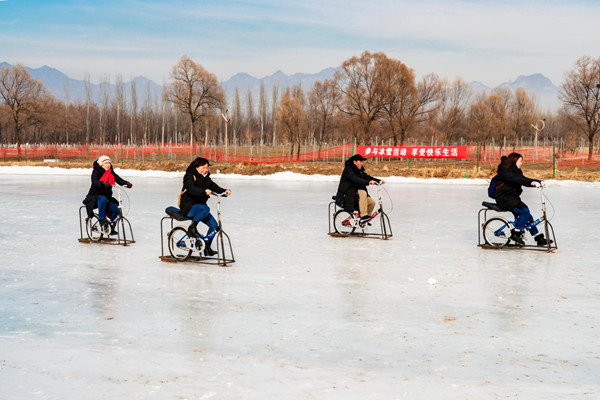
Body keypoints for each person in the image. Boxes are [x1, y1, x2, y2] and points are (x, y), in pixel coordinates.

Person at [178, 157, 231, 256]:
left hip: (201, 208)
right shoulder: (189, 176)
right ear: (197, 167)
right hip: (188, 206)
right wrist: (203, 191)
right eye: (203, 167)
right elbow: (191, 189)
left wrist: (225, 191)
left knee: (214, 226)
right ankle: (192, 227)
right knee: (206, 208)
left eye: (207, 167)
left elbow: (214, 187)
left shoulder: (206, 177)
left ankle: (206, 248)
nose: (205, 170)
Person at [494, 152, 549, 246]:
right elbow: (518, 179)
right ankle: (516, 233)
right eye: (520, 161)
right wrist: (532, 183)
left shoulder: (516, 171)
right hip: (504, 198)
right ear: (514, 161)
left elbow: (524, 180)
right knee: (524, 212)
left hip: (512, 198)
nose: (521, 163)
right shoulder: (506, 171)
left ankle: (538, 237)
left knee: (527, 215)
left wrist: (537, 182)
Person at [83, 155, 132, 235]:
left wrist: (127, 183)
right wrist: (102, 184)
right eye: (105, 163)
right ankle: (102, 219)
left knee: (117, 209)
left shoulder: (111, 173)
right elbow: (94, 182)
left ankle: (111, 227)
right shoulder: (96, 172)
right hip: (94, 199)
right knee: (101, 198)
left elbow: (118, 179)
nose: (108, 165)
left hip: (106, 199)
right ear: (101, 165)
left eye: (109, 163)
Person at [336, 154, 385, 225]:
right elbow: (356, 179)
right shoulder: (348, 170)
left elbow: (366, 177)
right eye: (360, 161)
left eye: (362, 162)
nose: (362, 163)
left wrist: (378, 180)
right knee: (362, 192)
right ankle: (363, 216)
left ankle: (365, 219)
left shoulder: (359, 170)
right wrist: (368, 182)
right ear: (354, 162)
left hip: (355, 193)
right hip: (347, 194)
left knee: (371, 203)